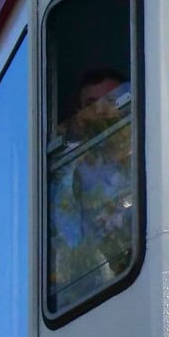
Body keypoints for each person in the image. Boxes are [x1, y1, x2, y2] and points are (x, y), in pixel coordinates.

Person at [50, 66, 136, 305]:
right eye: (91, 105)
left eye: (112, 101)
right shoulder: (67, 175)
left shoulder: (158, 153)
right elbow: (67, 240)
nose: (101, 112)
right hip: (90, 299)